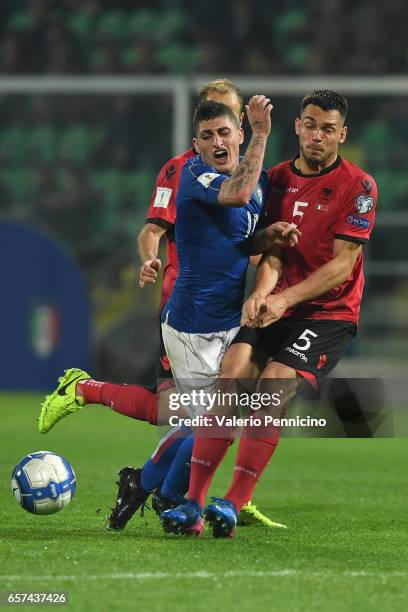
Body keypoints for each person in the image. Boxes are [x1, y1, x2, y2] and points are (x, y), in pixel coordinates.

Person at [38, 82, 297, 530]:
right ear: (195, 142)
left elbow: (238, 236)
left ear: (237, 129)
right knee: (198, 419)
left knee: (192, 417)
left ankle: (156, 484)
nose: (217, 142)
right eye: (207, 135)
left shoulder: (258, 183)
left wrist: (265, 241)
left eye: (225, 131)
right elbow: (165, 223)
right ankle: (166, 489)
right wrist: (150, 257)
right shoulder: (191, 174)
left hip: (229, 322)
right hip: (191, 324)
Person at [162, 89, 378, 538]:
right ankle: (193, 504)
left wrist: (282, 299)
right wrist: (261, 293)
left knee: (272, 389)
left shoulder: (359, 187)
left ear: (343, 134)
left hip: (327, 315)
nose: (318, 136)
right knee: (233, 378)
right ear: (297, 126)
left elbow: (343, 265)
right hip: (280, 305)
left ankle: (234, 501)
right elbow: (273, 251)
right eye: (311, 125)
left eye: (329, 129)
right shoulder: (275, 179)